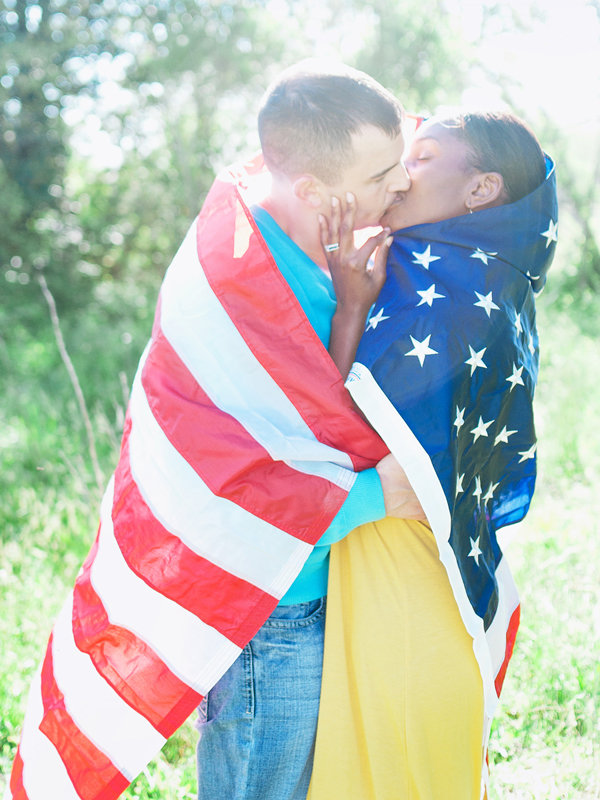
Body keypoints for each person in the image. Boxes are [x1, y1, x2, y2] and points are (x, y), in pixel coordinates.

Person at [7, 62, 425, 800]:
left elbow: (310, 413)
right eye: (387, 170)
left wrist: (350, 299)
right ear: (316, 193)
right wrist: (377, 496)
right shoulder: (235, 273)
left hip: (318, 590)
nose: (403, 183)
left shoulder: (313, 248)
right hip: (271, 612)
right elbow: (232, 485)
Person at [307, 111, 558, 800]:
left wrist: (352, 310)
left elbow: (331, 433)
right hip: (401, 587)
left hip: (407, 600)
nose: (400, 172)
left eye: (421, 156)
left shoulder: (449, 296)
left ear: (479, 189)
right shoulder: (479, 278)